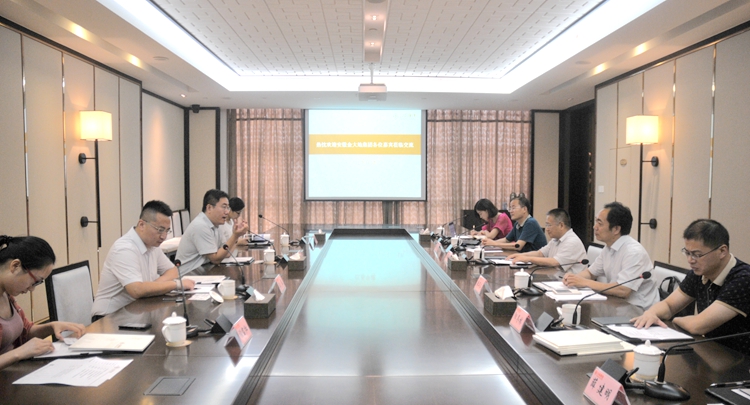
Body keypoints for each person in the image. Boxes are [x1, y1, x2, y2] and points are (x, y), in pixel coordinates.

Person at [632, 219, 750, 354]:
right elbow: (669, 305)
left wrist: (673, 320)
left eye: (697, 255)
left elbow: (697, 326)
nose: (690, 260)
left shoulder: (743, 279)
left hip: (740, 358)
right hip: (712, 350)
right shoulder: (699, 272)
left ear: (722, 251)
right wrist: (651, 314)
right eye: (687, 253)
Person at [91, 201, 195, 320]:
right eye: (160, 229)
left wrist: (154, 285)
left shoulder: (152, 245)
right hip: (109, 317)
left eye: (167, 230)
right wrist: (176, 284)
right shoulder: (124, 249)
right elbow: (136, 290)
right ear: (141, 225)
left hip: (137, 311)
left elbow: (173, 271)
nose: (163, 236)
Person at [0, 236, 85, 370]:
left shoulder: (7, 294)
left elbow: (25, 331)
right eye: (35, 281)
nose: (32, 289)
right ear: (15, 266)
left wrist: (51, 326)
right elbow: (20, 349)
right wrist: (19, 353)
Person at [563, 202, 658, 309]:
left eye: (600, 223)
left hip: (639, 310)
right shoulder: (608, 248)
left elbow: (623, 290)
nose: (594, 227)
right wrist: (573, 278)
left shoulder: (634, 252)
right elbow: (590, 273)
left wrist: (584, 282)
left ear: (616, 229)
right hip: (617, 305)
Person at [176, 189, 248, 274]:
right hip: (189, 274)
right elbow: (215, 259)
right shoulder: (200, 226)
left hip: (204, 270)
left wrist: (236, 236)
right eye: (224, 207)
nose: (227, 212)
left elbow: (226, 253)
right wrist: (235, 236)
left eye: (228, 208)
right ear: (209, 208)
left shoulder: (216, 225)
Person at [507, 208, 587, 273]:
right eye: (546, 225)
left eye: (549, 225)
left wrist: (528, 259)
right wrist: (520, 255)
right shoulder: (555, 239)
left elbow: (555, 262)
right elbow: (540, 253)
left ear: (561, 225)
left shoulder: (572, 241)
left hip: (572, 284)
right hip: (557, 278)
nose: (547, 229)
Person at [481, 196, 546, 252]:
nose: (510, 211)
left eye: (513, 208)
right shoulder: (517, 224)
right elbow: (506, 240)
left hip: (536, 260)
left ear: (524, 209)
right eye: (510, 208)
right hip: (524, 257)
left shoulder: (530, 223)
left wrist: (494, 244)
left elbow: (518, 246)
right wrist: (488, 243)